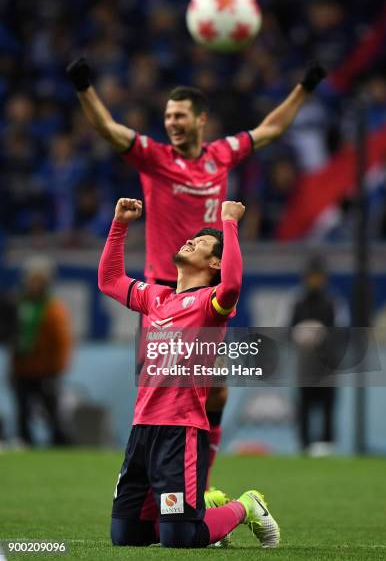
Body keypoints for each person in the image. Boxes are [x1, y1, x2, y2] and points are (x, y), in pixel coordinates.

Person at [67, 56, 326, 478]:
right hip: (164, 292)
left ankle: (199, 479)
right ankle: (156, 485)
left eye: (181, 115)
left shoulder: (221, 155)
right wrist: (84, 88)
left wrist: (305, 87)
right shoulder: (154, 156)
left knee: (216, 391)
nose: (172, 122)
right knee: (166, 392)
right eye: (168, 116)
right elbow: (108, 129)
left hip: (207, 291)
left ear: (201, 119)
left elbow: (272, 128)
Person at [98, 197, 280, 548]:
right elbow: (109, 280)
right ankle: (197, 509)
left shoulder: (210, 305)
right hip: (142, 430)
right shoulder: (155, 298)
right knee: (126, 536)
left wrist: (229, 222)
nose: (190, 240)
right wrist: (119, 224)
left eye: (201, 243)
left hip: (180, 433)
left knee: (180, 538)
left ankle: (245, 506)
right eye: (192, 238)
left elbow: (231, 286)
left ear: (215, 262)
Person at [7, 257, 72, 445]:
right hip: (22, 369)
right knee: (22, 411)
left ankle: (59, 443)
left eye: (38, 280)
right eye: (30, 279)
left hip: (46, 371)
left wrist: (57, 369)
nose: (33, 284)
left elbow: (62, 341)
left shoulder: (53, 308)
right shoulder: (17, 304)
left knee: (52, 412)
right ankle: (24, 441)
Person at [290, 254, 339, 455]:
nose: (315, 280)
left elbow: (338, 332)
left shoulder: (330, 303)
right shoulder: (299, 303)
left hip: (326, 364)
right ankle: (305, 445)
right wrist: (301, 335)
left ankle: (327, 445)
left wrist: (322, 337)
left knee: (327, 404)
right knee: (305, 405)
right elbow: (289, 330)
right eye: (312, 276)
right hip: (305, 364)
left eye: (318, 276)